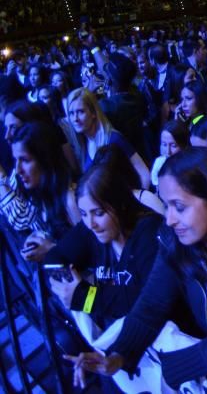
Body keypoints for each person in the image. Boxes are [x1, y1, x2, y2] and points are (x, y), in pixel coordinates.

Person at [66, 147, 207, 392]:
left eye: (179, 207)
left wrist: (169, 369)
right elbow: (151, 305)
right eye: (167, 206)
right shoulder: (176, 240)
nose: (169, 219)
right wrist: (117, 355)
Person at [44, 162, 163, 392]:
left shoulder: (148, 233)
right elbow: (53, 258)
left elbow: (141, 300)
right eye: (84, 214)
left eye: (99, 212)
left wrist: (84, 296)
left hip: (157, 344)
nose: (91, 224)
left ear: (119, 205)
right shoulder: (90, 230)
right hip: (122, 348)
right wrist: (70, 286)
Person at [9, 122, 81, 262]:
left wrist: (52, 250)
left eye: (25, 160)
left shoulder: (71, 199)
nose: (18, 170)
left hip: (91, 284)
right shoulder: (42, 198)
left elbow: (98, 258)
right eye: (16, 160)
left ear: (44, 159)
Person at [66, 88, 150, 188]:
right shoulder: (84, 143)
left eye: (80, 112)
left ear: (93, 113)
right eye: (71, 113)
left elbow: (144, 173)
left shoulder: (114, 139)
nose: (75, 119)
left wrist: (138, 200)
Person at [150, 119, 189, 188]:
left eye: (173, 146)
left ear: (184, 145)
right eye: (164, 144)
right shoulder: (159, 163)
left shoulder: (191, 166)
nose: (168, 151)